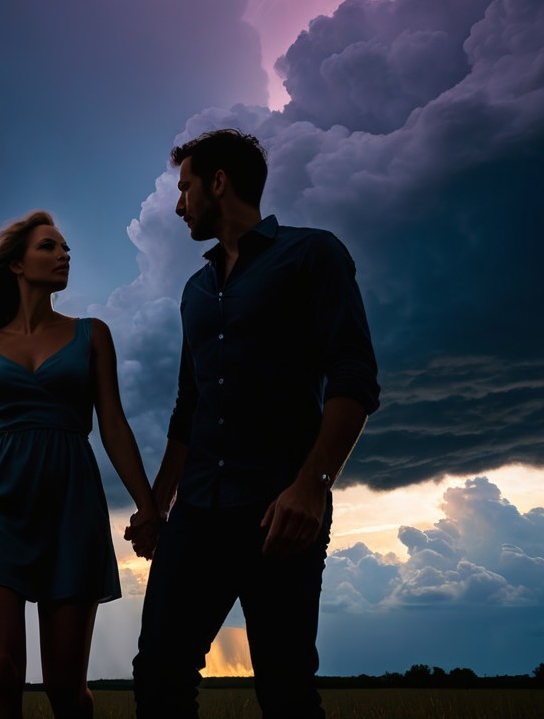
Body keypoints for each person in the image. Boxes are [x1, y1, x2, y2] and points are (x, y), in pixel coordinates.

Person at [127, 129, 380, 718]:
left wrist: (311, 488)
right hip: (195, 513)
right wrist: (159, 506)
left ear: (219, 183)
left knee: (285, 687)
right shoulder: (196, 289)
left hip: (280, 510)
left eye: (185, 187)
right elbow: (187, 410)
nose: (178, 203)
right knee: (159, 675)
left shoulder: (312, 254)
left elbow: (355, 378)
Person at [0, 210, 160, 719]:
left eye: (66, 251)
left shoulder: (92, 334)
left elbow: (115, 427)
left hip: (70, 509)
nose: (63, 257)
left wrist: (148, 507)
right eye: (49, 247)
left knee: (64, 688)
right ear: (17, 264)